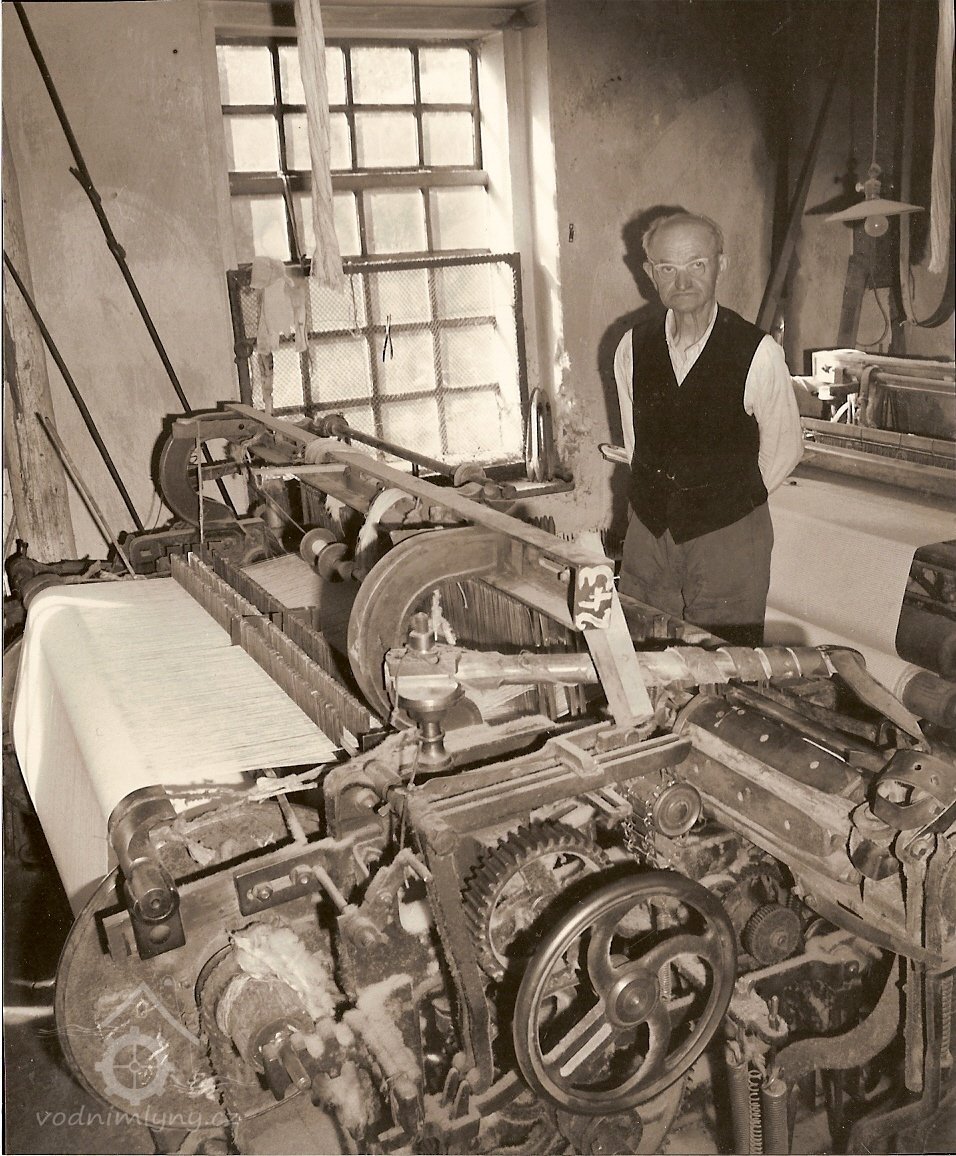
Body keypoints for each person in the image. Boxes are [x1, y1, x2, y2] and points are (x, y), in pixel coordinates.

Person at [611, 211, 803, 647]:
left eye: (696, 264)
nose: (682, 282)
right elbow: (635, 442)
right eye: (667, 268)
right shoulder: (632, 347)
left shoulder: (758, 352)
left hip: (727, 533)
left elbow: (785, 450)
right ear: (649, 274)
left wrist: (725, 504)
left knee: (723, 662)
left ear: (721, 265)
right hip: (650, 531)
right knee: (643, 649)